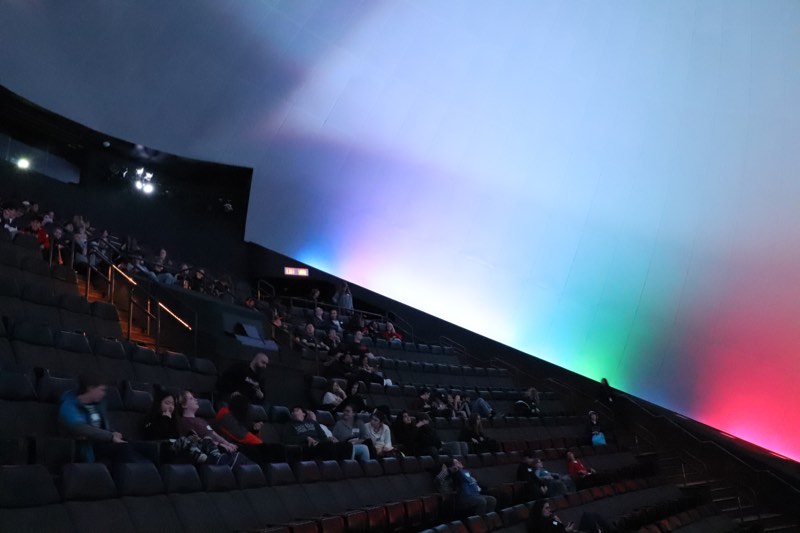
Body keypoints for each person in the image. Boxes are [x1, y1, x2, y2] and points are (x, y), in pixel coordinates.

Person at [58, 372, 147, 463]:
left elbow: (99, 427)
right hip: (86, 449)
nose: (103, 394)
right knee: (123, 449)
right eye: (101, 390)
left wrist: (113, 432)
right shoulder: (69, 406)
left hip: (102, 443)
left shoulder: (97, 405)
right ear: (90, 388)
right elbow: (80, 428)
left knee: (134, 447)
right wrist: (110, 436)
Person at [142, 391, 220, 464]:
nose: (170, 407)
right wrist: (165, 419)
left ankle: (218, 459)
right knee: (183, 441)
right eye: (167, 403)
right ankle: (207, 460)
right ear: (158, 404)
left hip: (176, 447)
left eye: (172, 404)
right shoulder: (151, 419)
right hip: (162, 449)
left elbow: (176, 436)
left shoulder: (175, 420)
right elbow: (155, 436)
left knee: (207, 440)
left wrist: (192, 437)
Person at [176, 390, 243, 466]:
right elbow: (198, 441)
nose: (196, 399)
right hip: (208, 450)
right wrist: (221, 445)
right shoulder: (185, 422)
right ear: (184, 405)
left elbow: (214, 434)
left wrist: (227, 443)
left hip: (219, 446)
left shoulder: (201, 419)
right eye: (191, 398)